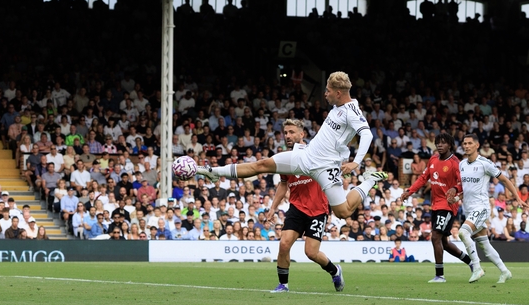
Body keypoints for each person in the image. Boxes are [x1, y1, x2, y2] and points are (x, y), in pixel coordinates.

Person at [196, 72, 386, 219]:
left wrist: (356, 163)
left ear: (338, 93)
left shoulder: (352, 112)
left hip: (326, 167)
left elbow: (367, 134)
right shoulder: (338, 106)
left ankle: (370, 180)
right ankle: (214, 172)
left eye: (328, 90)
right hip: (305, 157)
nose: (325, 93)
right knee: (261, 165)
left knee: (342, 212)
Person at [269, 119, 344, 293]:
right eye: (285, 133)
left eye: (291, 132)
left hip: (318, 210)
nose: (287, 136)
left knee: (311, 253)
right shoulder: (285, 159)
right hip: (296, 208)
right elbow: (283, 184)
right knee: (284, 244)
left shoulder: (316, 152)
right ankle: (283, 285)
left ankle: (334, 271)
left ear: (302, 134)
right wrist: (273, 208)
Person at [400, 132, 472, 283]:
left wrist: (455, 188)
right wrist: (409, 191)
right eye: (438, 142)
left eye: (443, 142)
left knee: (435, 237)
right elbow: (423, 178)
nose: (439, 145)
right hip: (436, 204)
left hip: (448, 205)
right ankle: (471, 262)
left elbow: (462, 183)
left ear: (450, 145)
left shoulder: (455, 163)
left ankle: (440, 275)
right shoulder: (433, 159)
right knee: (444, 242)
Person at [456, 134, 528, 283]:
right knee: (484, 244)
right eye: (465, 143)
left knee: (463, 232)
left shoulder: (485, 163)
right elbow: (468, 189)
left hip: (481, 207)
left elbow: (505, 180)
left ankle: (477, 268)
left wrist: (517, 197)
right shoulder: (462, 164)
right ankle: (505, 271)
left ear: (477, 145)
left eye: (469, 143)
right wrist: (456, 198)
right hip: (469, 209)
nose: (466, 146)